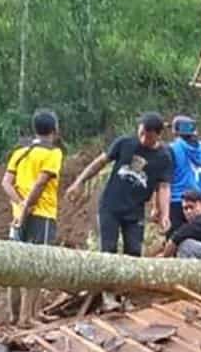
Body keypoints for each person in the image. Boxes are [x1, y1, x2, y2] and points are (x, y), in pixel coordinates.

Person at [65, 112, 173, 311]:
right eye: (141, 133)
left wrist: (164, 214)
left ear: (158, 135)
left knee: (133, 252)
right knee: (109, 249)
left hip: (135, 210)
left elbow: (164, 187)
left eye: (148, 136)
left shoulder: (163, 157)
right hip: (110, 206)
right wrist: (79, 182)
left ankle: (127, 296)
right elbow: (99, 162)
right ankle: (108, 296)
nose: (143, 139)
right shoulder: (125, 143)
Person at [0, 109, 63, 326]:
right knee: (37, 267)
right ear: (55, 130)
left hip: (18, 217)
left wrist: (19, 206)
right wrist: (27, 206)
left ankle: (17, 314)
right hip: (42, 215)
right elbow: (41, 183)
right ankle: (27, 318)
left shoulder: (20, 152)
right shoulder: (53, 154)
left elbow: (6, 183)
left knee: (16, 266)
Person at [168, 115, 201, 230]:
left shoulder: (172, 149)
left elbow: (164, 178)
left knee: (177, 240)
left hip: (178, 201)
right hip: (200, 202)